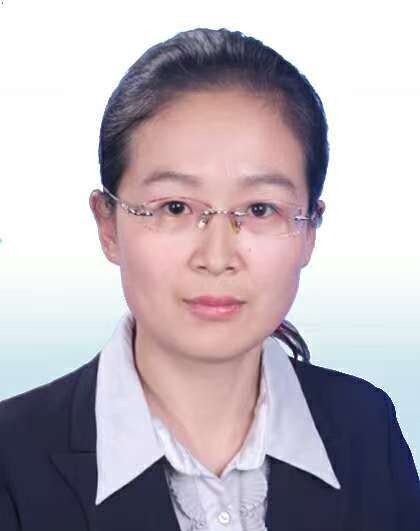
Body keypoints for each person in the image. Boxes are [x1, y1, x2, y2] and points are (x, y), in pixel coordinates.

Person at [0, 27, 419, 531]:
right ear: (108, 225)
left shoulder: (366, 428)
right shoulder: (11, 460)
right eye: (175, 207)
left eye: (260, 209)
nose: (217, 258)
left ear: (310, 229)